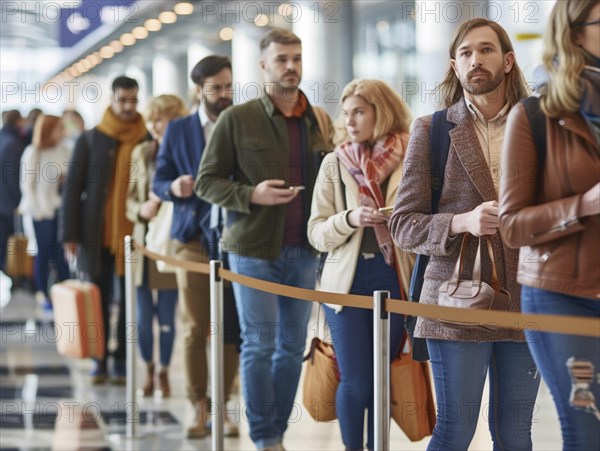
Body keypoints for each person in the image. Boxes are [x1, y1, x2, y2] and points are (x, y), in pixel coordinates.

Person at [389, 18, 541, 450]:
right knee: (455, 431)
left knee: (516, 434)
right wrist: (461, 221)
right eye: (466, 53)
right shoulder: (432, 129)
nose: (476, 59)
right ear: (454, 66)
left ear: (508, 61)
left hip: (528, 297)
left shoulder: (542, 128)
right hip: (455, 301)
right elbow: (403, 224)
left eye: (487, 50)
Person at [195, 28, 332, 451]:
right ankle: (264, 437)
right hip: (252, 248)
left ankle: (277, 433)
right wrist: (250, 194)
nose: (290, 66)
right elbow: (206, 181)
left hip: (304, 250)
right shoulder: (238, 118)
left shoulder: (318, 119)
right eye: (281, 59)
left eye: (296, 58)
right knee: (259, 343)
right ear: (264, 65)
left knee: (291, 348)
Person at [499, 1, 600, 449]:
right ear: (576, 35)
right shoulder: (534, 115)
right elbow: (512, 226)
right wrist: (584, 204)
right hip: (563, 296)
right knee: (587, 429)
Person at [307, 79, 414, 450]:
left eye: (360, 112)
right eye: (346, 112)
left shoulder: (411, 153)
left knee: (383, 378)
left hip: (394, 275)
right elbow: (316, 233)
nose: (350, 121)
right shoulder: (334, 163)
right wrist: (351, 219)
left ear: (380, 112)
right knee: (356, 378)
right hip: (346, 283)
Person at [153, 55, 239, 438]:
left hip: (236, 239)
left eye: (228, 85)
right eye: (215, 87)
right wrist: (173, 188)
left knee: (231, 327)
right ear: (199, 89)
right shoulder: (179, 130)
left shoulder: (243, 123)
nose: (224, 94)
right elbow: (160, 179)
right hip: (191, 238)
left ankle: (223, 409)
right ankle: (196, 407)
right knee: (194, 327)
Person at [60, 76, 148, 384]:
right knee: (97, 297)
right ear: (111, 99)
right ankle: (99, 358)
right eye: (123, 100)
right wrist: (68, 234)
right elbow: (72, 189)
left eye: (133, 100)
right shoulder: (92, 138)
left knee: (128, 301)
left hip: (133, 237)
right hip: (94, 233)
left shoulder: (145, 137)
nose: (128, 106)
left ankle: (122, 359)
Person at [125, 95, 187, 398]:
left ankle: (164, 371)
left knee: (166, 313)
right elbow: (129, 200)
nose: (153, 125)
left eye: (159, 119)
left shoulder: (185, 150)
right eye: (150, 119)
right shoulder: (141, 153)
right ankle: (147, 369)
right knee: (142, 313)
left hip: (171, 241)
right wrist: (141, 210)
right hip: (143, 241)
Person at [18, 115, 71, 308]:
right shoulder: (33, 153)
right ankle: (44, 295)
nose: (62, 132)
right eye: (58, 128)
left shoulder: (64, 150)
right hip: (40, 213)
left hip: (59, 210)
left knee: (60, 254)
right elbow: (27, 187)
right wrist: (38, 211)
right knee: (44, 253)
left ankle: (65, 292)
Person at [0, 110, 25, 277]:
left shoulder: (4, 139)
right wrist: (18, 203)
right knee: (10, 243)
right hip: (9, 203)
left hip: (3, 201)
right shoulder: (13, 143)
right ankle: (14, 275)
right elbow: (14, 178)